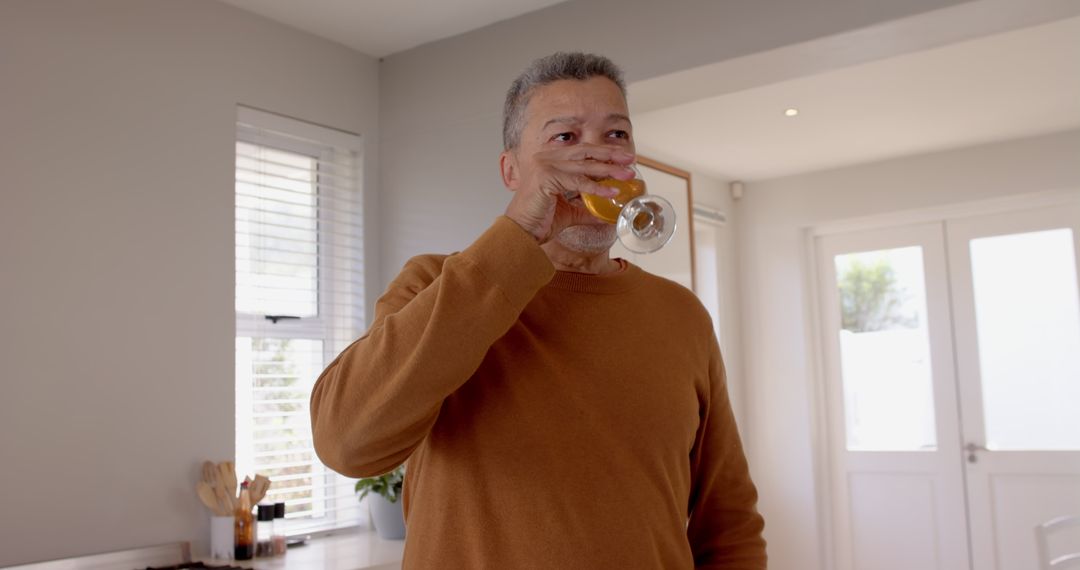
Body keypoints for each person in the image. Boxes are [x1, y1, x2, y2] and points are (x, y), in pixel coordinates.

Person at [310, 52, 767, 569]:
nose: (594, 155)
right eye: (565, 138)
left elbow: (729, 524)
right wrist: (519, 236)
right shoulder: (434, 285)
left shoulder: (681, 315)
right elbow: (345, 444)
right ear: (512, 170)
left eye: (615, 135)